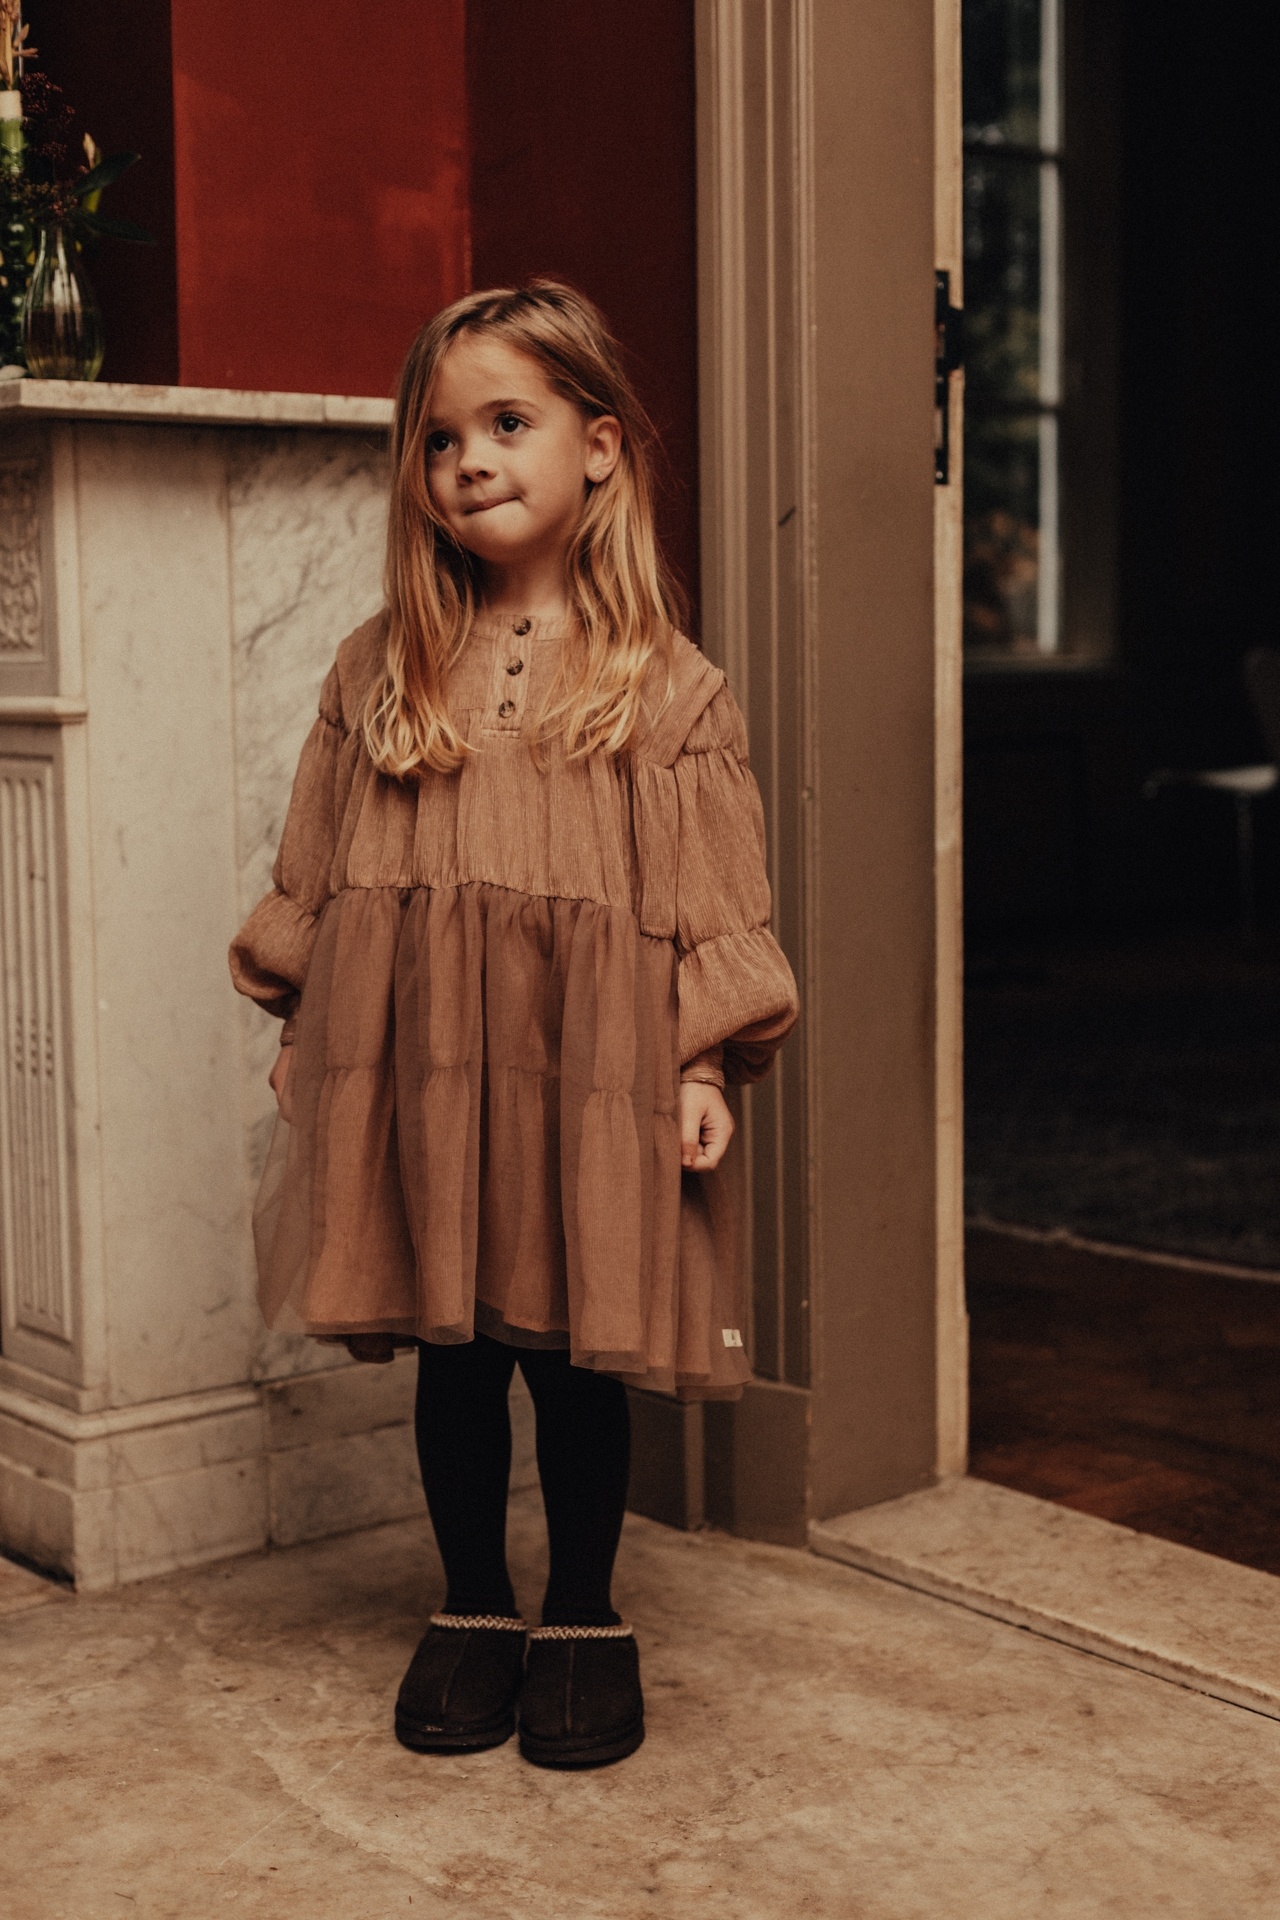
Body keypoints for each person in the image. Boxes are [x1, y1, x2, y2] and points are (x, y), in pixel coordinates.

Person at [229, 282, 798, 1770]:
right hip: (420, 1065)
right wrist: (302, 1027)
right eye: (440, 440)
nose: (469, 460)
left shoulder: (664, 688)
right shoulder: (379, 669)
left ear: (598, 447)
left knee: (571, 1349)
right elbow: (323, 867)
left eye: (506, 423)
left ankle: (587, 1610)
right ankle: (474, 1601)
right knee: (459, 1346)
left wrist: (701, 1058)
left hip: (588, 1070)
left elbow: (706, 899)